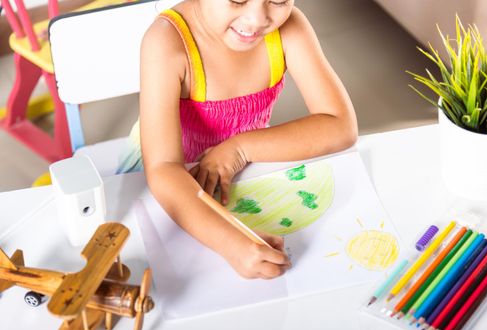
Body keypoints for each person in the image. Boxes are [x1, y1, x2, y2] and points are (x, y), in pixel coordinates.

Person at [118, 0, 358, 279]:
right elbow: (163, 167)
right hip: (167, 187)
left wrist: (240, 149)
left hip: (244, 173)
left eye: (278, 0)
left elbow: (340, 125)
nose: (257, 19)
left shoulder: (289, 27)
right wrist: (230, 242)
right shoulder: (166, 41)